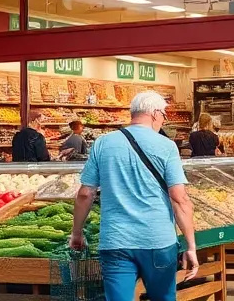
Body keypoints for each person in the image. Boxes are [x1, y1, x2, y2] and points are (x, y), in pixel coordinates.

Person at [71, 91, 198, 301]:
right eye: (164, 116)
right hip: (158, 241)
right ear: (156, 114)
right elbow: (179, 198)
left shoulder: (103, 143)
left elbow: (85, 193)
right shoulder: (166, 146)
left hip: (116, 241)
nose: (163, 121)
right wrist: (191, 245)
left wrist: (77, 232)